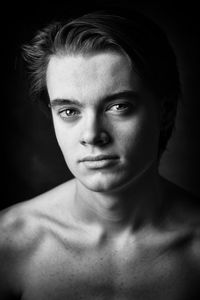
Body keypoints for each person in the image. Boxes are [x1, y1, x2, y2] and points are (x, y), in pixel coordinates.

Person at [0, 7, 200, 300]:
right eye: (69, 111)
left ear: (165, 112)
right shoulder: (9, 243)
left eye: (118, 107)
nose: (92, 135)